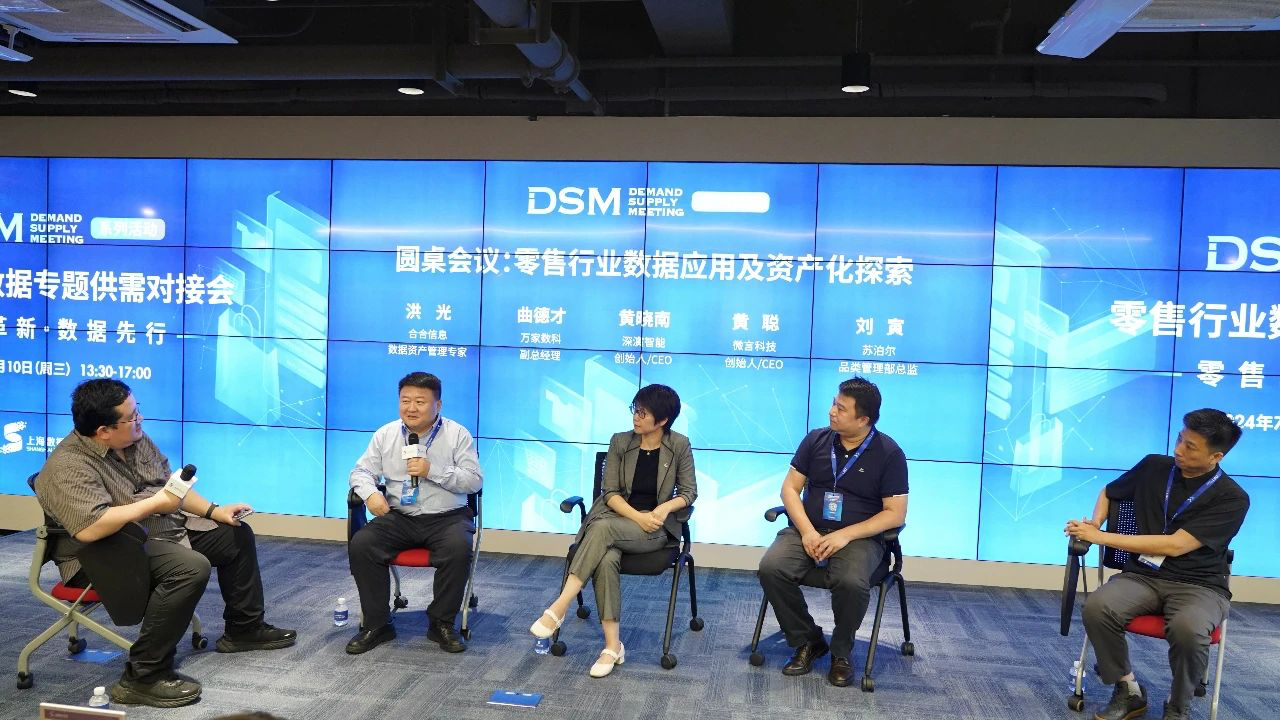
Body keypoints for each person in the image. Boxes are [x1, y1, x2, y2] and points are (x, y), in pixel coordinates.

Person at [33, 379, 296, 708]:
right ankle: (142, 676)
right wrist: (156, 504)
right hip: (101, 553)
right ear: (103, 431)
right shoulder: (68, 466)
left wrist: (214, 511)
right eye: (132, 416)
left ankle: (244, 629)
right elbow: (91, 528)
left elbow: (172, 490)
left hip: (158, 532)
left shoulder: (135, 439)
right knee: (189, 568)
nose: (139, 419)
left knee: (235, 535)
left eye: (137, 410)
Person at [1066, 409, 1249, 720]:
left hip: (1199, 585)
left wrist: (1100, 536)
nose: (1178, 450)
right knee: (1098, 607)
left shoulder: (1232, 498)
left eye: (1190, 446)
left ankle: (1177, 706)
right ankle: (1128, 690)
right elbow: (1110, 492)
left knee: (1189, 629)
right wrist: (1095, 522)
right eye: (1179, 439)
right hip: (1143, 576)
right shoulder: (1154, 466)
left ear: (1216, 456)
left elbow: (1175, 545)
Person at [528, 384, 696, 678]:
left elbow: (689, 492)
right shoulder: (620, 441)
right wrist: (637, 517)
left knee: (601, 531)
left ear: (662, 420)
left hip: (655, 529)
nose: (636, 417)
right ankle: (612, 646)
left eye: (643, 413)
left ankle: (559, 607)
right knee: (605, 556)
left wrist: (664, 509)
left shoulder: (679, 445)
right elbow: (610, 493)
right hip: (619, 518)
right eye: (635, 410)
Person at [757, 376, 908, 687]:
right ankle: (808, 640)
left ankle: (841, 652)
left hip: (858, 538)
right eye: (833, 404)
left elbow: (895, 513)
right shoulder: (816, 440)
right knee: (771, 568)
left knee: (850, 581)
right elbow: (789, 489)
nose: (831, 411)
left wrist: (845, 534)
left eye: (841, 408)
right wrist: (807, 532)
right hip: (809, 530)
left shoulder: (888, 453)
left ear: (863, 419)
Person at [346, 371, 483, 654]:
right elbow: (360, 471)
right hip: (400, 516)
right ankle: (377, 623)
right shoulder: (386, 434)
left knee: (458, 548)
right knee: (363, 544)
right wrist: (370, 493)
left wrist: (432, 470)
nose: (411, 408)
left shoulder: (457, 434)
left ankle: (442, 623)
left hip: (447, 517)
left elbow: (474, 481)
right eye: (405, 401)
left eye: (420, 402)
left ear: (438, 405)